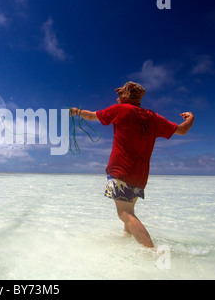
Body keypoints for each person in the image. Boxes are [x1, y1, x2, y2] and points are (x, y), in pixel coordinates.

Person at [70, 81, 195, 248]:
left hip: (120, 171)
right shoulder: (154, 117)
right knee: (130, 212)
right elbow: (182, 130)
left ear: (125, 95)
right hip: (140, 177)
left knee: (124, 214)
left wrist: (76, 112)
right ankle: (126, 242)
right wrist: (191, 117)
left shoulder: (120, 109)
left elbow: (92, 116)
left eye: (119, 94)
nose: (116, 98)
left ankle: (152, 252)